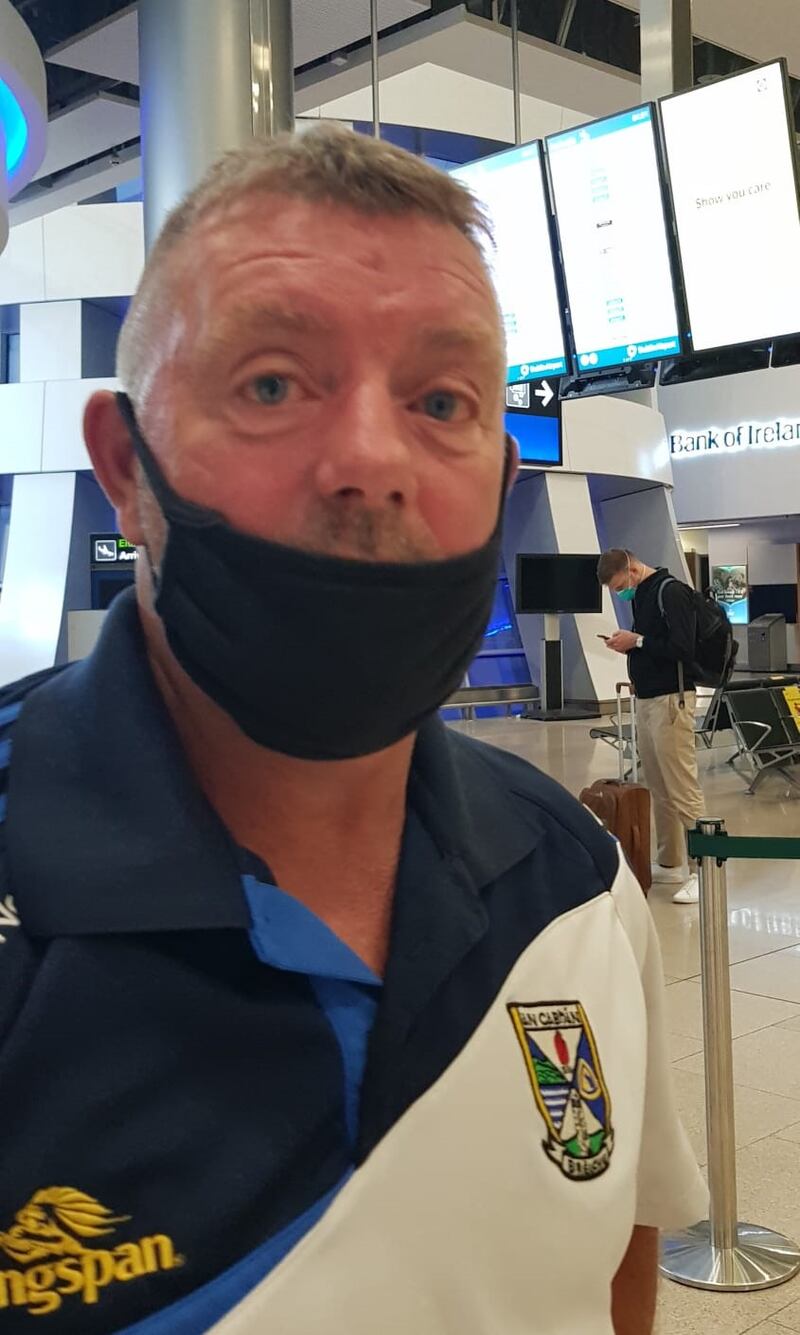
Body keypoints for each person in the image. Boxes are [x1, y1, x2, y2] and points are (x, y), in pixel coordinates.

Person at [0, 128, 705, 1335]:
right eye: (270, 382)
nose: (372, 461)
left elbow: (608, 1263)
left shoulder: (573, 880)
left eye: (442, 400)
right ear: (125, 465)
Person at [598, 548, 705, 904]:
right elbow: (651, 646)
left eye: (619, 585)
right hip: (646, 699)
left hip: (671, 701)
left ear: (632, 568)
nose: (620, 592)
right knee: (658, 784)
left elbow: (682, 647)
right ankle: (671, 860)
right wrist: (629, 645)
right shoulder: (642, 595)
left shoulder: (670, 591)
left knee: (682, 786)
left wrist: (638, 640)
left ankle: (702, 870)